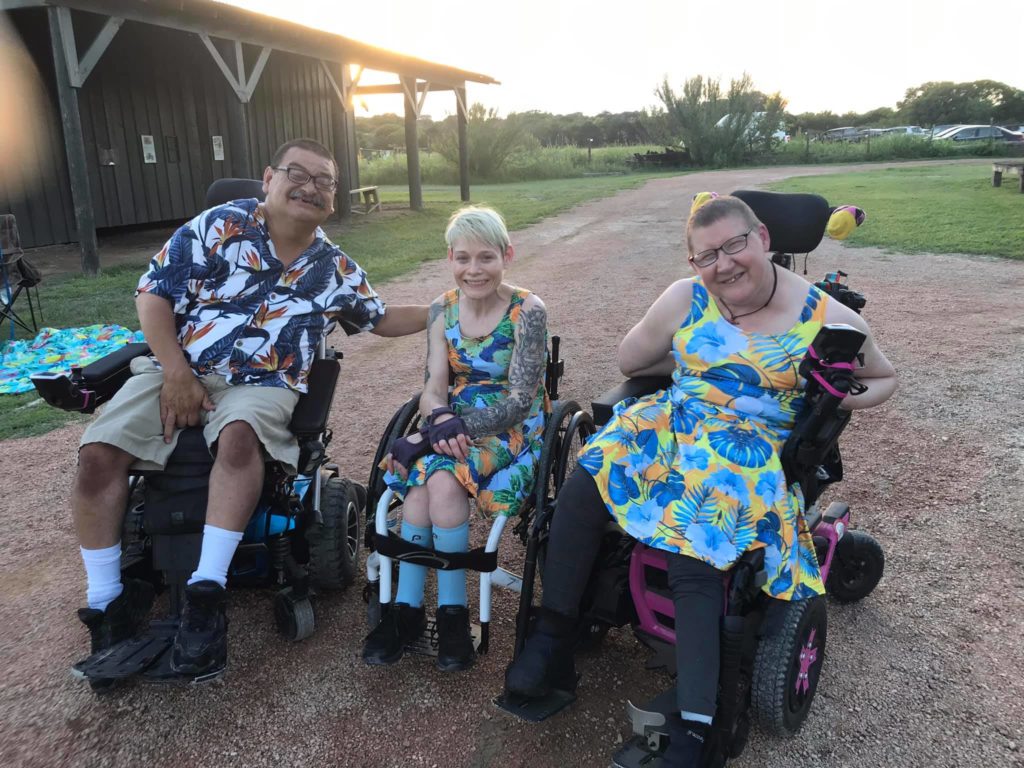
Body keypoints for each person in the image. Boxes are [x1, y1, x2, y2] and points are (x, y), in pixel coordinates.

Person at [504, 195, 897, 766]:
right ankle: (553, 636)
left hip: (750, 446)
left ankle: (696, 723)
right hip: (677, 420)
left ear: (762, 238)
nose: (725, 263)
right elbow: (632, 361)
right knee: (586, 479)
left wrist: (835, 395)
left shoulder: (827, 318)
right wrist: (695, 360)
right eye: (707, 255)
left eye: (735, 245)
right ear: (694, 262)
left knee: (696, 542)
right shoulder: (686, 297)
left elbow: (885, 378)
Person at [73, 138, 429, 677]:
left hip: (264, 380)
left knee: (239, 436)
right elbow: (153, 294)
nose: (309, 187)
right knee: (97, 454)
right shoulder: (219, 226)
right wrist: (176, 373)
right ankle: (106, 605)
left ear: (333, 197)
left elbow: (380, 318)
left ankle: (205, 596)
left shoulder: (333, 267)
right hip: (179, 364)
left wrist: (449, 306)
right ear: (268, 179)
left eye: (324, 181)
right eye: (297, 174)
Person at [361, 206, 549, 672]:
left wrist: (445, 432)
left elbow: (521, 401)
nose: (474, 269)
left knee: (438, 481)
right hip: (450, 421)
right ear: (450, 258)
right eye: (463, 258)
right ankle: (409, 610)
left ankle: (450, 613)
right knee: (422, 487)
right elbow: (432, 388)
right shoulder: (441, 309)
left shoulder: (528, 310)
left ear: (507, 255)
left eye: (486, 257)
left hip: (511, 427)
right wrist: (441, 418)